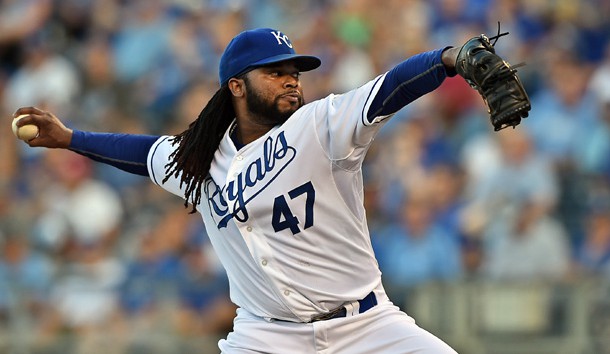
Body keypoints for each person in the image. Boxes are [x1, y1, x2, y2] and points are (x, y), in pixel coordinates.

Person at [13, 27, 472, 353]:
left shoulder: (320, 126)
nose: (291, 78)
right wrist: (70, 139)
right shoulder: (200, 159)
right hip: (267, 338)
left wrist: (447, 60)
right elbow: (143, 152)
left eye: (294, 70)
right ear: (237, 85)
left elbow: (387, 89)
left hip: (368, 327)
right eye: (274, 71)